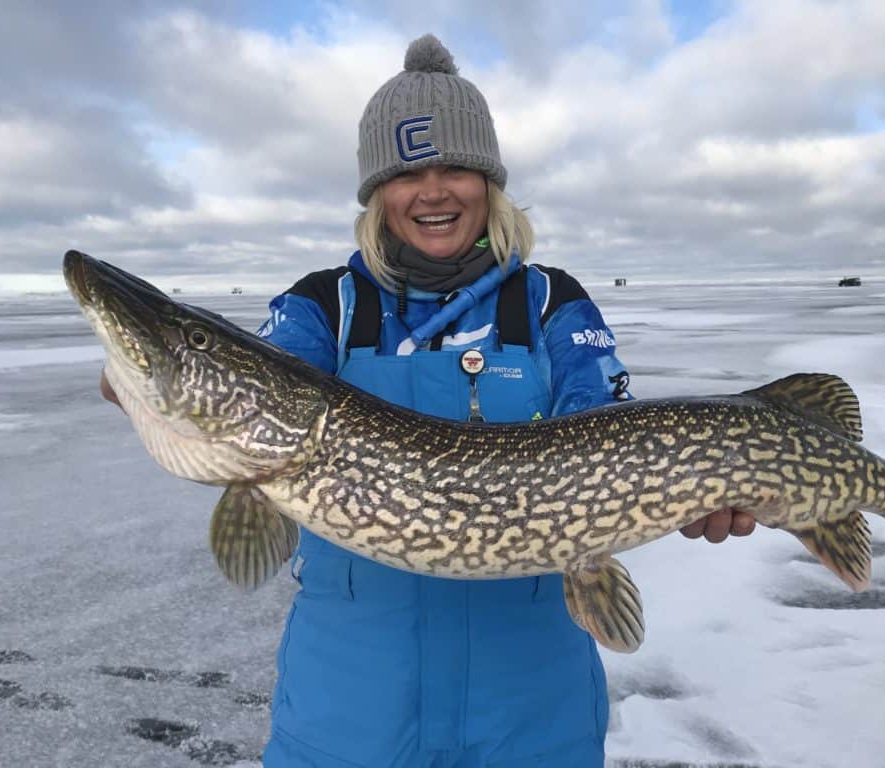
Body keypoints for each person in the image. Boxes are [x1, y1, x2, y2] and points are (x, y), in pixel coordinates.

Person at [101, 33, 755, 768]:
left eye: (456, 169)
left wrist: (685, 488)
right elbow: (265, 391)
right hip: (349, 721)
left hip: (532, 720)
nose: (433, 191)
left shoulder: (550, 303)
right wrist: (160, 386)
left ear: (490, 183)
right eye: (408, 171)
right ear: (378, 190)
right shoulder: (323, 306)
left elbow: (602, 424)